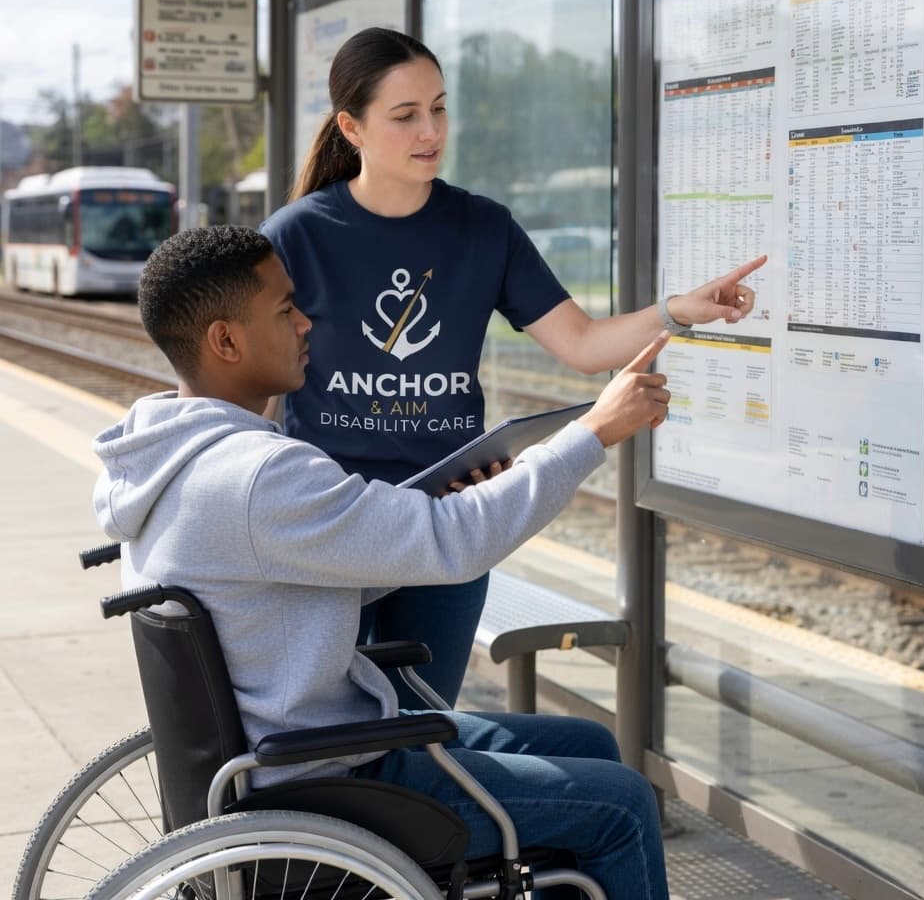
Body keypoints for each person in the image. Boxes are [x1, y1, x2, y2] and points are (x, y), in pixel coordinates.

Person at [92, 225, 670, 899]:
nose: (307, 322)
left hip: (275, 759)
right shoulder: (258, 476)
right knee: (622, 802)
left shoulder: (169, 458)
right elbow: (457, 542)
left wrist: (420, 512)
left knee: (587, 748)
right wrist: (594, 432)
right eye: (285, 309)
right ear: (226, 341)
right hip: (328, 783)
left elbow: (304, 565)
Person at [261, 26, 766, 710]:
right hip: (332, 526)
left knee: (422, 728)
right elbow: (253, 391)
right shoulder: (297, 235)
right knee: (322, 725)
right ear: (351, 126)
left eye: (439, 108)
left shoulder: (483, 228)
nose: (430, 129)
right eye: (405, 116)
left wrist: (681, 309)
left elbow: (584, 344)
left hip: (447, 528)